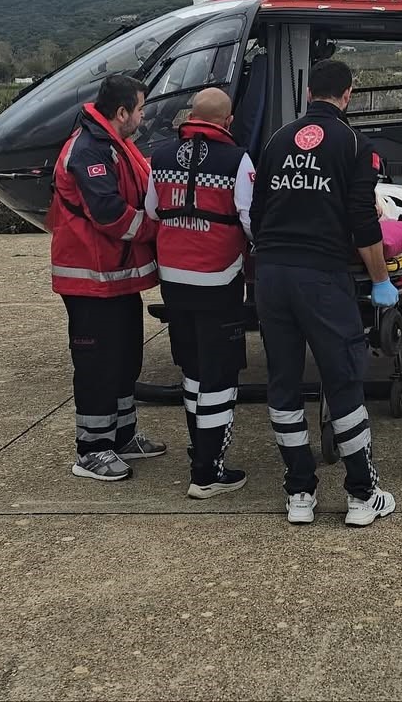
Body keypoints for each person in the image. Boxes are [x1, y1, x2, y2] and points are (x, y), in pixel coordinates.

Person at [249, 58, 397, 527]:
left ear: (309, 93)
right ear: (348, 95)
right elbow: (363, 222)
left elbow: (256, 212)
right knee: (343, 380)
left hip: (271, 274)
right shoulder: (354, 144)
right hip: (320, 278)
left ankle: (299, 493)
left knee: (283, 383)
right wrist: (380, 280)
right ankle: (362, 495)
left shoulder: (276, 140)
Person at [45, 72, 167, 480]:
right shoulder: (89, 151)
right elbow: (110, 213)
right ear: (122, 112)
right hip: (90, 279)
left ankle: (122, 436)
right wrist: (158, 231)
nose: (143, 116)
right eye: (140, 109)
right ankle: (92, 449)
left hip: (115, 276)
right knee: (97, 365)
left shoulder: (114, 144)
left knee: (125, 358)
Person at [144, 87, 254, 499]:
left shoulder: (160, 156)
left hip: (173, 280)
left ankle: (198, 450)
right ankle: (208, 472)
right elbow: (250, 220)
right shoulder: (237, 160)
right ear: (227, 121)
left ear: (191, 116)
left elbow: (152, 211)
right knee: (219, 376)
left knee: (191, 369)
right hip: (219, 280)